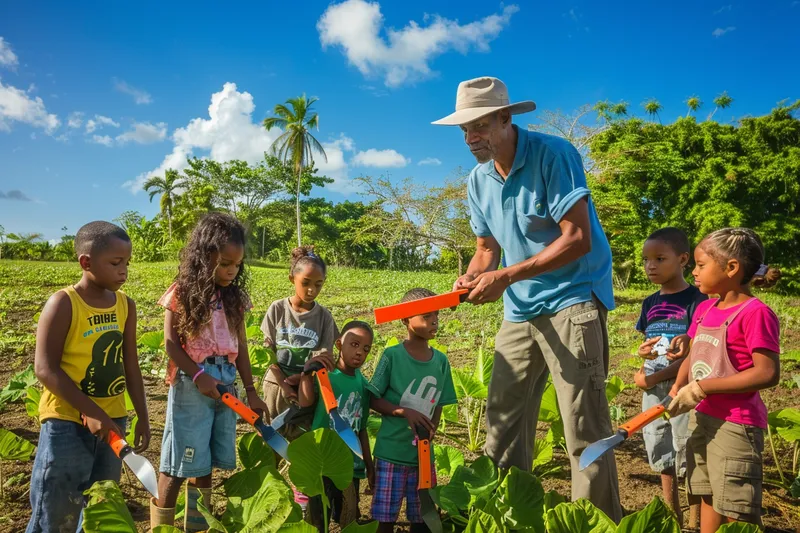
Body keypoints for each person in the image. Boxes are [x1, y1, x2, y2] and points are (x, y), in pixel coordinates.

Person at [433, 76, 622, 520]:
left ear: (506, 118)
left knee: (583, 427)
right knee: (502, 422)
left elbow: (577, 239)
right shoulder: (478, 181)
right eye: (463, 130)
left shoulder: (553, 155)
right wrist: (472, 277)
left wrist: (506, 275)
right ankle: (507, 520)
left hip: (572, 299)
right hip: (520, 308)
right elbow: (485, 250)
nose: (470, 137)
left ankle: (595, 526)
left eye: (478, 125)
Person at [26, 221, 150, 533]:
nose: (123, 271)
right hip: (66, 422)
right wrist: (91, 412)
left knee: (98, 506)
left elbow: (130, 365)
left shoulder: (125, 305)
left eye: (127, 263)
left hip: (113, 422)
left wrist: (143, 417)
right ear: (86, 262)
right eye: (115, 263)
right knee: (56, 511)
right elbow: (45, 368)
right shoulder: (65, 303)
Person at [150, 213, 268, 532]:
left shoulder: (235, 299)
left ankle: (196, 527)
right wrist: (200, 375)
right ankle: (160, 526)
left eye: (238, 265)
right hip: (192, 382)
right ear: (204, 257)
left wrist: (252, 391)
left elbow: (241, 347)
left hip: (226, 379)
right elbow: (172, 345)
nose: (232, 271)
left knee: (205, 463)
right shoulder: (182, 293)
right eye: (225, 263)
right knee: (179, 460)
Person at [667, 227, 781, 533]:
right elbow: (693, 354)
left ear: (731, 268)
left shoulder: (755, 313)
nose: (694, 271)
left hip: (736, 424)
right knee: (706, 490)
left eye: (702, 265)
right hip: (702, 417)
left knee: (735, 503)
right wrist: (679, 384)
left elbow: (767, 373)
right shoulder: (705, 309)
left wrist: (703, 387)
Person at [369, 288, 458, 533]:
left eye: (436, 315)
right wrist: (403, 412)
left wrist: (432, 431)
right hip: (391, 453)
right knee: (384, 519)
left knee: (423, 519)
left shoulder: (440, 361)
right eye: (426, 316)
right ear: (405, 320)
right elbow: (373, 399)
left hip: (423, 456)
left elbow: (439, 401)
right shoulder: (392, 356)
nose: (434, 321)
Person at [633, 227, 707, 524]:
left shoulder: (697, 299)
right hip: (652, 386)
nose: (651, 265)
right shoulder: (649, 303)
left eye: (660, 258)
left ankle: (696, 519)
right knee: (659, 445)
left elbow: (695, 352)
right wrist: (643, 360)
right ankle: (672, 514)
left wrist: (654, 377)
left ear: (683, 259)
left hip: (685, 386)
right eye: (646, 260)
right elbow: (649, 345)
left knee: (685, 446)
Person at [261, 245, 337, 508]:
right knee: (272, 440)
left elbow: (324, 359)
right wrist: (284, 382)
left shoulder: (324, 317)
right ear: (292, 278)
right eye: (306, 283)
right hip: (276, 387)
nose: (312, 290)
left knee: (302, 446)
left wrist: (302, 377)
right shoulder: (277, 309)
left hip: (306, 389)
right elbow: (267, 355)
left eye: (319, 284)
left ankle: (301, 505)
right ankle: (270, 501)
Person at [299, 320, 376, 531]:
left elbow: (361, 429)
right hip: (321, 462)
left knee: (348, 517)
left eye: (366, 349)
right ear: (339, 344)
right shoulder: (326, 377)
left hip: (349, 465)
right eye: (354, 344)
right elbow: (305, 401)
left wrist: (369, 465)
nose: (360, 352)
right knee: (317, 520)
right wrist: (307, 372)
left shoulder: (363, 384)